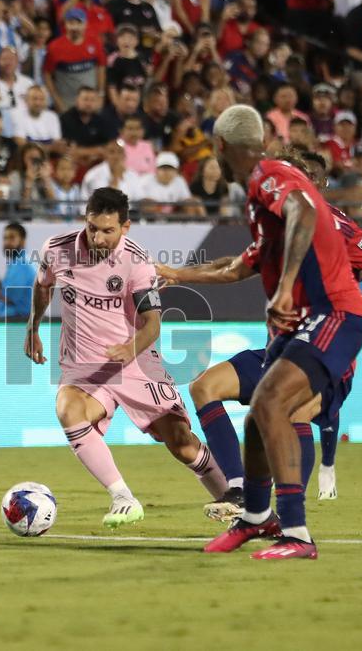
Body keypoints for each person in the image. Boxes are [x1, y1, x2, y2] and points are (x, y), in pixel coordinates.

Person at [156, 138, 362, 508]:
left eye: (300, 177)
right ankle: (238, 491)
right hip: (281, 350)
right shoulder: (275, 225)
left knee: (291, 410)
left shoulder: (341, 229)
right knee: (204, 387)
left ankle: (291, 513)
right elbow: (234, 265)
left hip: (325, 354)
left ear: (317, 185)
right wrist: (179, 274)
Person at [201, 104, 362, 559]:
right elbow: (244, 262)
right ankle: (257, 518)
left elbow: (302, 212)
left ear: (221, 147)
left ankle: (296, 533)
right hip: (306, 318)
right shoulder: (261, 194)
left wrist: (284, 291)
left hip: (331, 311)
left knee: (273, 404)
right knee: (259, 413)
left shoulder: (266, 177)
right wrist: (178, 274)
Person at [25, 187, 236, 528]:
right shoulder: (57, 250)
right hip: (86, 366)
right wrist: (32, 327)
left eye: (108, 230)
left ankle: (239, 506)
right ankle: (123, 497)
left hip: (136, 361)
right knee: (68, 408)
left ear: (125, 227)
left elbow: (153, 325)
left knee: (181, 443)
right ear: (85, 220)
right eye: (93, 227)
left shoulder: (137, 262)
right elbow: (42, 286)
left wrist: (129, 349)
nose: (98, 237)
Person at [43, 7, 106, 113]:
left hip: (91, 102)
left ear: (85, 24)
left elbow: (101, 68)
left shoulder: (95, 43)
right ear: (65, 25)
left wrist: (100, 95)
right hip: (66, 103)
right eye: (71, 23)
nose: (75, 27)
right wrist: (57, 101)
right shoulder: (54, 47)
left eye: (79, 23)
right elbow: (47, 74)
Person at [0, 222, 36, 319]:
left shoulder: (22, 265)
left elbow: (13, 299)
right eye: (5, 238)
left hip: (16, 323)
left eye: (12, 238)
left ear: (22, 241)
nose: (7, 242)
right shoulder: (17, 263)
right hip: (14, 322)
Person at [135, 151, 194, 216]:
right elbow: (138, 203)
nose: (167, 172)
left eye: (170, 169)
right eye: (163, 168)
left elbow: (187, 201)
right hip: (148, 220)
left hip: (173, 219)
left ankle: (201, 223)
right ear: (156, 169)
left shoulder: (179, 181)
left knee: (193, 203)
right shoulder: (145, 180)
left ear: (176, 171)